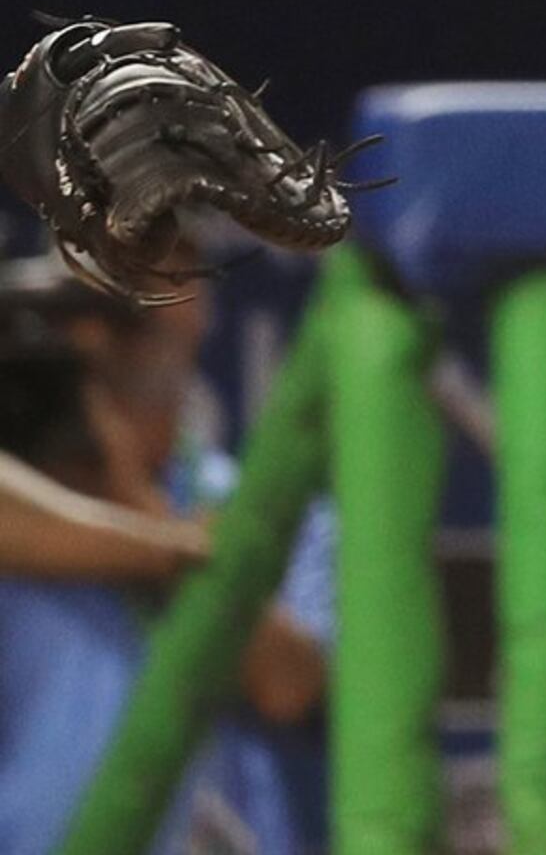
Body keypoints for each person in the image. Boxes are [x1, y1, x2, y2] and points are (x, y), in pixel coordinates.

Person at [0, 258, 328, 855]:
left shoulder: (245, 510)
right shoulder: (18, 522)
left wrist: (133, 495)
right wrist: (166, 550)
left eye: (102, 356)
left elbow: (293, 689)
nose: (68, 393)